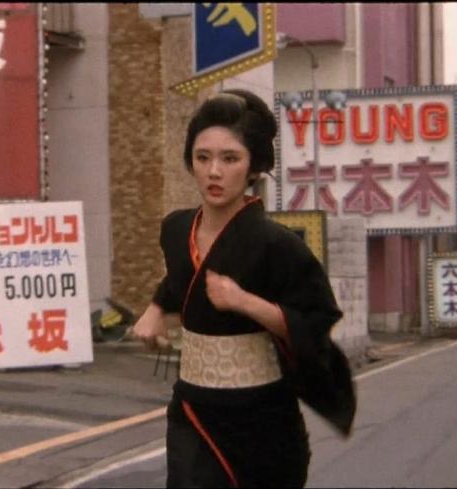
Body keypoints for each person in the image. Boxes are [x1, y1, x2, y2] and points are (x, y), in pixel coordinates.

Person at [130, 89, 354, 487]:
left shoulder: (278, 245)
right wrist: (155, 310)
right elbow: (180, 281)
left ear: (254, 167)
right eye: (203, 157)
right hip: (193, 409)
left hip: (262, 420)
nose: (214, 171)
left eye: (230, 158)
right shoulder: (176, 229)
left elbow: (315, 320)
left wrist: (245, 302)